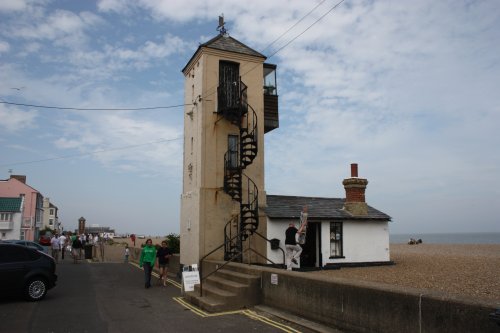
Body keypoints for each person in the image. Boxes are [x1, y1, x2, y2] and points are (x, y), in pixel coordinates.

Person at [284, 206, 308, 270]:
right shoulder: (293, 228)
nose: (294, 225)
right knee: (300, 249)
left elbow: (292, 236)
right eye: (293, 225)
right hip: (292, 244)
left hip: (286, 244)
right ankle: (294, 258)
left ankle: (289, 270)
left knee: (289, 257)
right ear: (292, 225)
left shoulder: (286, 230)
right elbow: (299, 232)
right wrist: (303, 225)